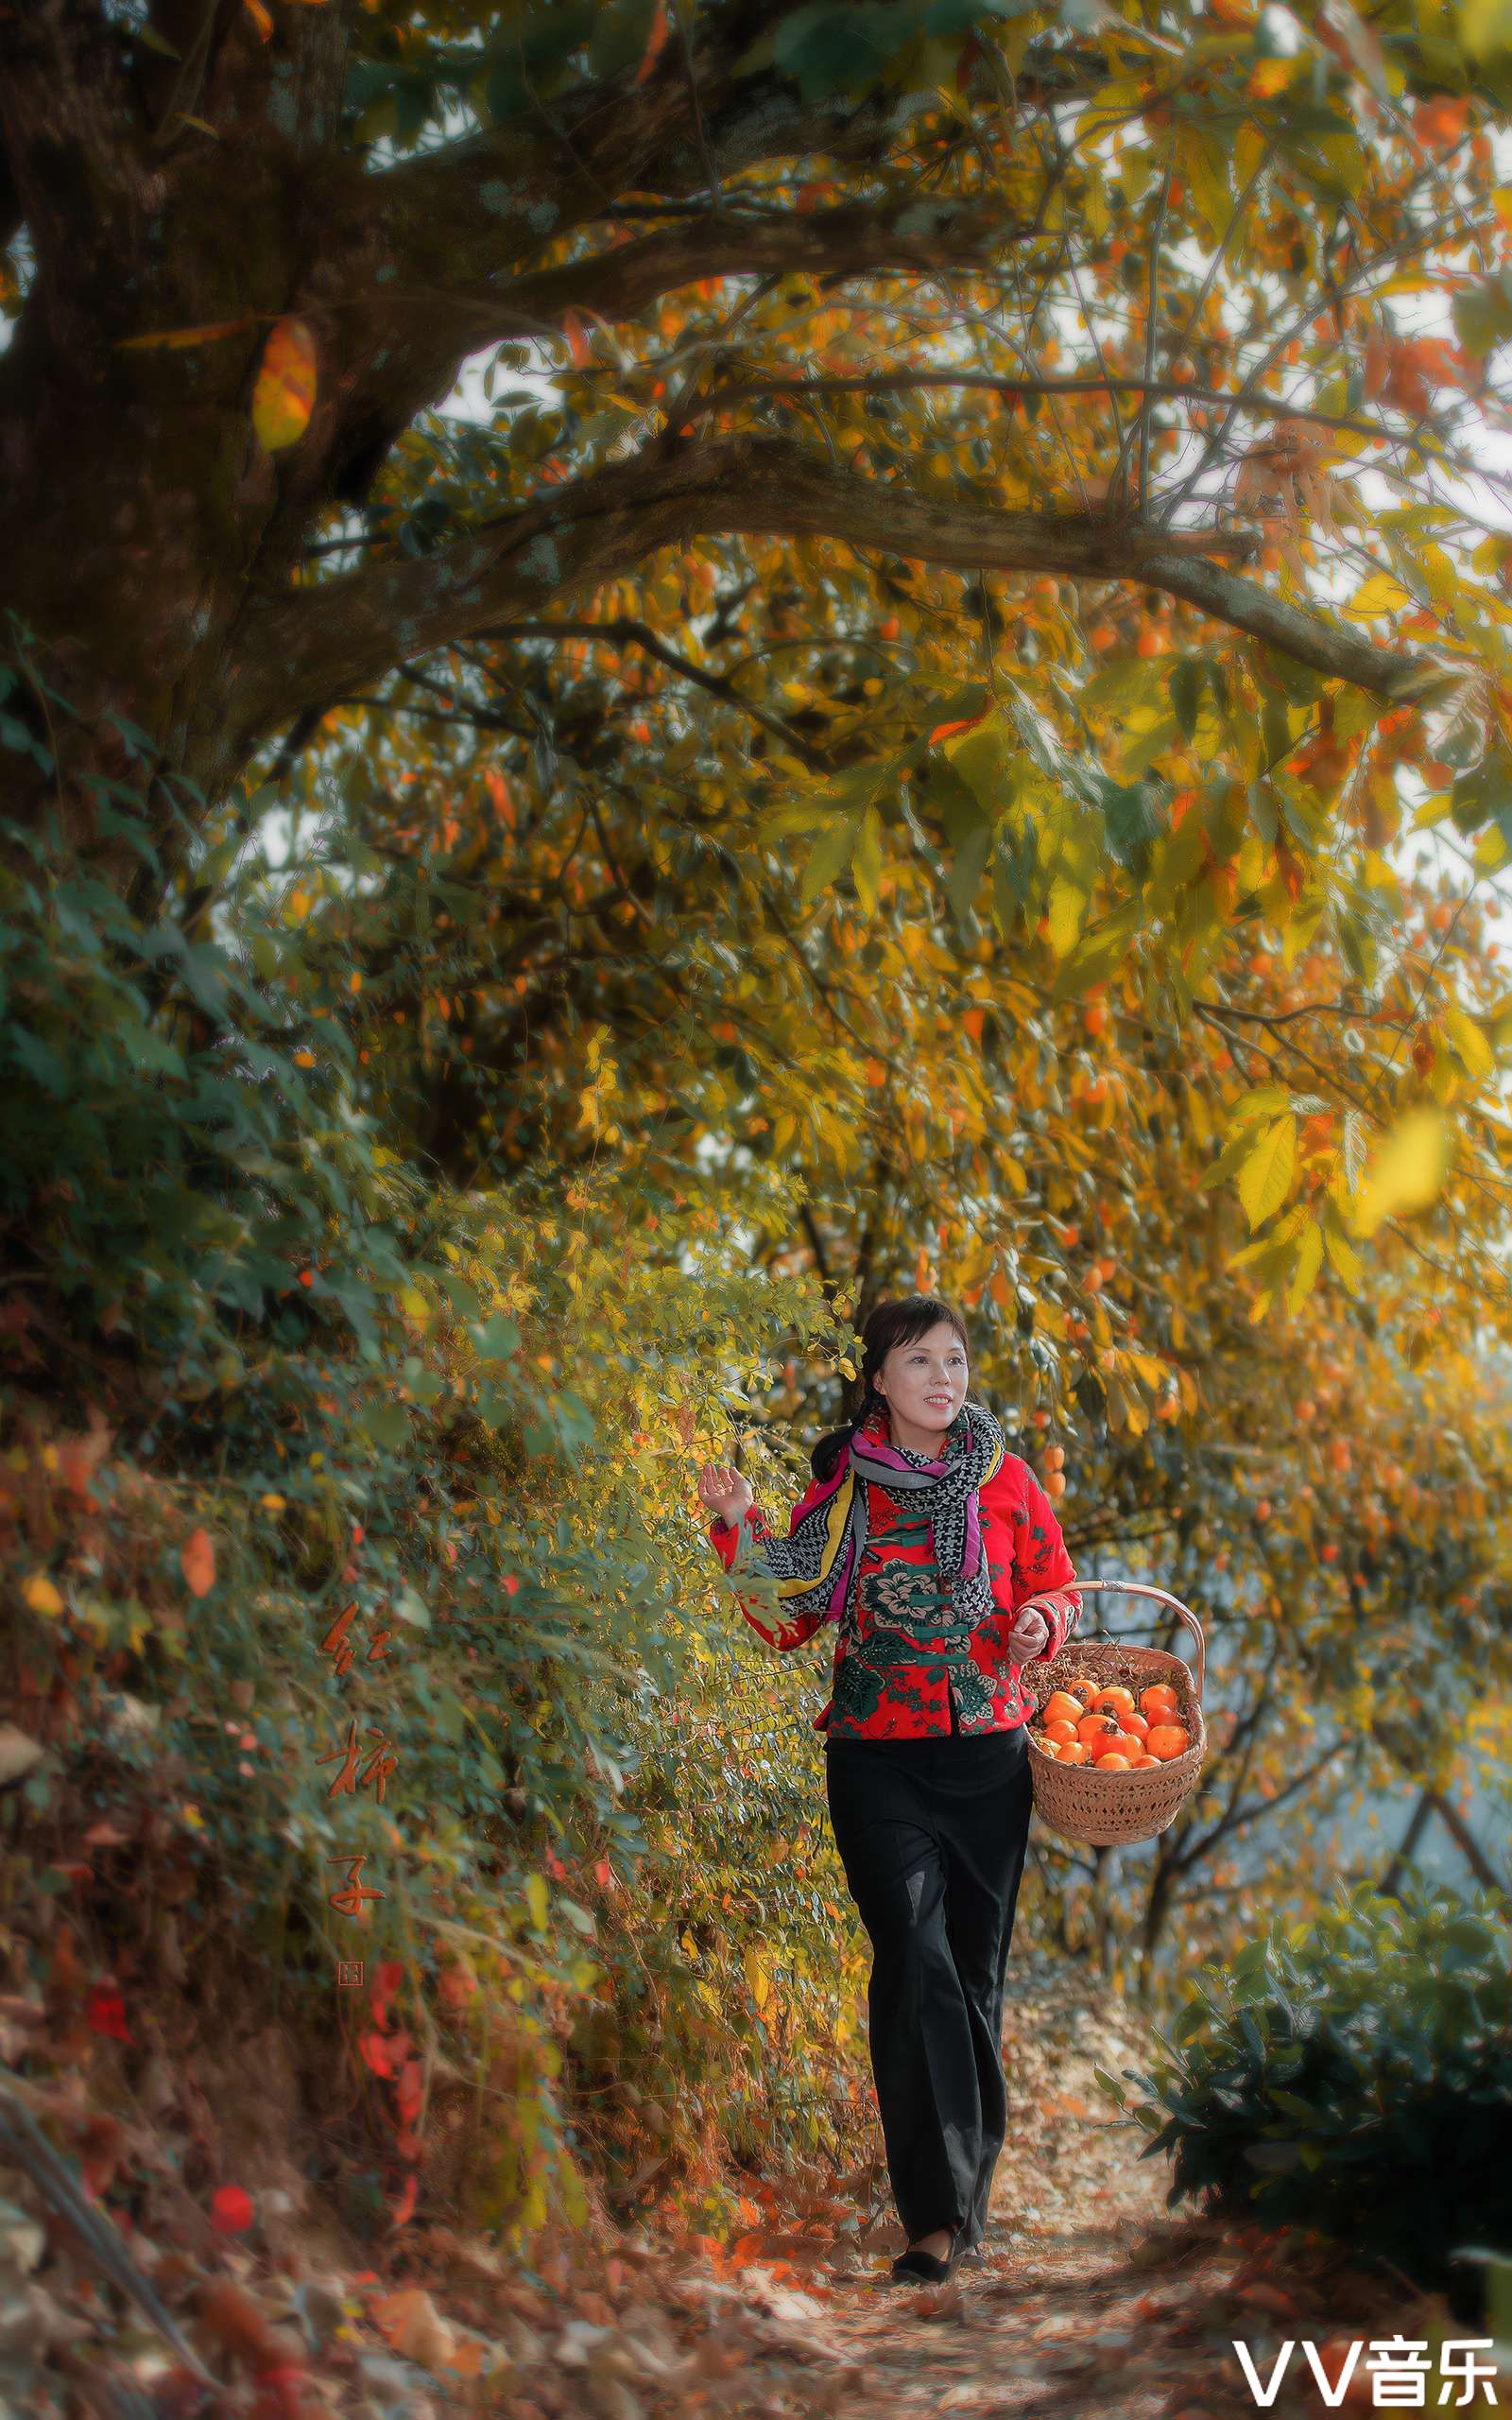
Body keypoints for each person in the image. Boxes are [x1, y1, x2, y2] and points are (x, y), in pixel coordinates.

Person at [696, 1294, 1081, 2287]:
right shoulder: (846, 1492)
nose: (942, 1379)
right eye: (919, 1362)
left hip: (991, 1759)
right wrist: (735, 1529)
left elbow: (1055, 1586)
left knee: (974, 1976)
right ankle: (934, 2222)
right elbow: (784, 1616)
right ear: (878, 1378)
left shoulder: (1006, 1481)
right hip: (875, 1758)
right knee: (913, 1953)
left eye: (954, 1360)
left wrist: (1042, 1626)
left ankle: (963, 2204)